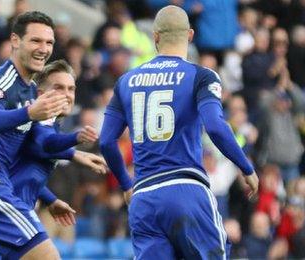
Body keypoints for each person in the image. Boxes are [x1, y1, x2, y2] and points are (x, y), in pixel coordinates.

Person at [99, 5, 259, 260]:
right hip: (185, 189)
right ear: (191, 35)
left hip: (144, 197)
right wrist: (246, 167)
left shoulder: (126, 81)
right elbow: (216, 126)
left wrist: (127, 185)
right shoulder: (201, 76)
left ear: (155, 37)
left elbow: (106, 141)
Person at [0, 11, 81, 259]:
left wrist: (72, 157)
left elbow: (33, 148)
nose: (44, 48)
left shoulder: (29, 89)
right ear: (15, 40)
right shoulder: (2, 79)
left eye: (49, 42)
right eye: (36, 41)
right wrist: (30, 113)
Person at [10, 60, 107, 226]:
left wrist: (51, 200)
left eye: (71, 89)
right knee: (48, 253)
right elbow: (46, 143)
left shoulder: (50, 124)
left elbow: (26, 172)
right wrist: (75, 139)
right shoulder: (39, 120)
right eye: (58, 88)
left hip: (13, 207)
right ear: (41, 94)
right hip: (9, 208)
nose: (67, 94)